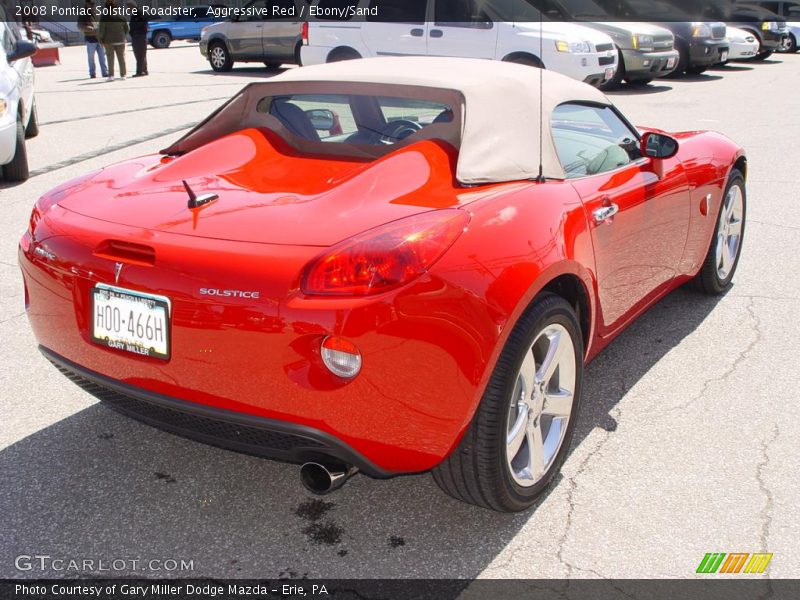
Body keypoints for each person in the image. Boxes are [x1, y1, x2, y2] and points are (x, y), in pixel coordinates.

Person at [97, 0, 129, 81]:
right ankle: (123, 75)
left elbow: (101, 30)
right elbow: (127, 28)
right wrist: (123, 35)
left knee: (110, 58)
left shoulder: (104, 17)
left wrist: (100, 40)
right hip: (120, 39)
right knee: (121, 57)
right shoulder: (121, 15)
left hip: (108, 41)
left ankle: (111, 76)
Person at [76, 0, 108, 79]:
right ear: (87, 4)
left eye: (93, 4)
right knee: (91, 58)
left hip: (100, 39)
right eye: (91, 4)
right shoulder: (83, 14)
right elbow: (79, 26)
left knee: (102, 57)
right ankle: (92, 73)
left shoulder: (98, 12)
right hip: (90, 39)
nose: (92, 6)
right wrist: (89, 28)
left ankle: (105, 72)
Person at [127, 1, 148, 77]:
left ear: (132, 6)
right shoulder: (134, 14)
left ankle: (140, 71)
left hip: (139, 36)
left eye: (129, 7)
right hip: (137, 36)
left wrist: (133, 30)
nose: (128, 9)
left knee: (140, 54)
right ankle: (144, 70)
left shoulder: (139, 13)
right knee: (141, 54)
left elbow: (141, 24)